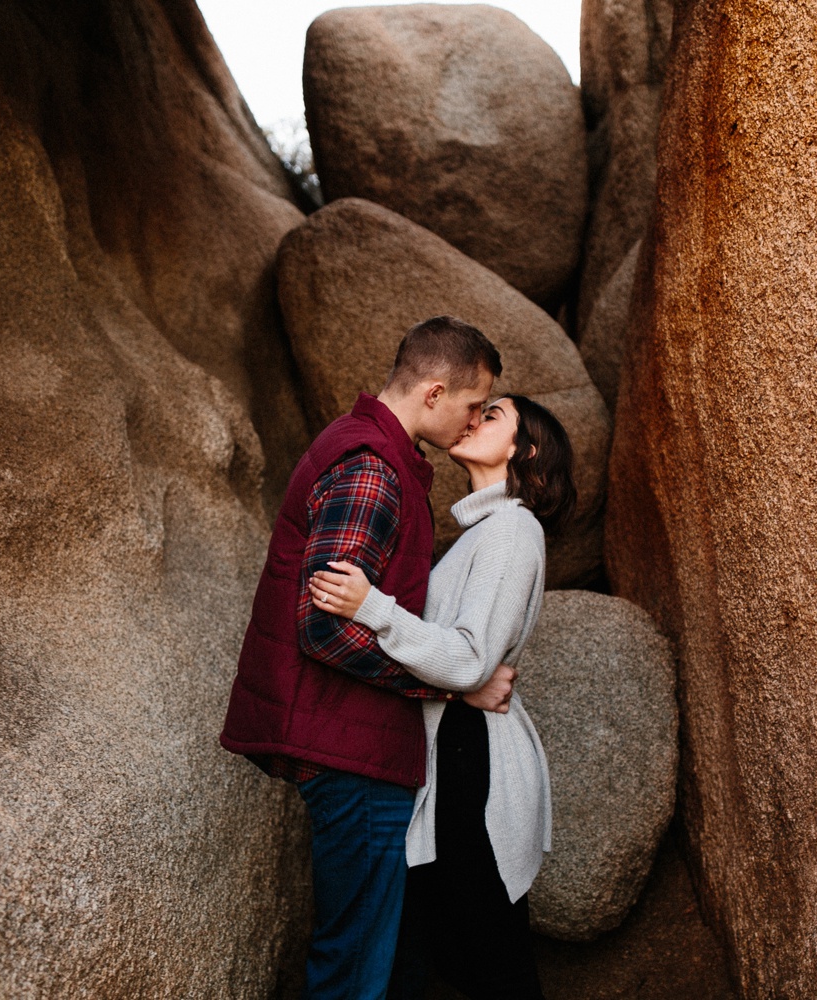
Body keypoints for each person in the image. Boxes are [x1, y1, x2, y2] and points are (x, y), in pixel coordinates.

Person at [219, 316, 518, 1000]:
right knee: (354, 968)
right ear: (435, 392)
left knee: (372, 956)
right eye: (474, 406)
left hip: (354, 744)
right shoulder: (372, 470)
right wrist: (444, 690)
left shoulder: (374, 456)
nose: (474, 423)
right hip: (351, 752)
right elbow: (323, 630)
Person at [307, 394, 577, 1000]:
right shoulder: (483, 532)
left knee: (491, 959)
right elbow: (465, 665)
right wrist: (465, 683)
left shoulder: (512, 529)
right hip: (456, 750)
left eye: (494, 414)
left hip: (473, 762)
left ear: (524, 450)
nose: (474, 418)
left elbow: (468, 658)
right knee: (462, 953)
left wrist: (370, 607)